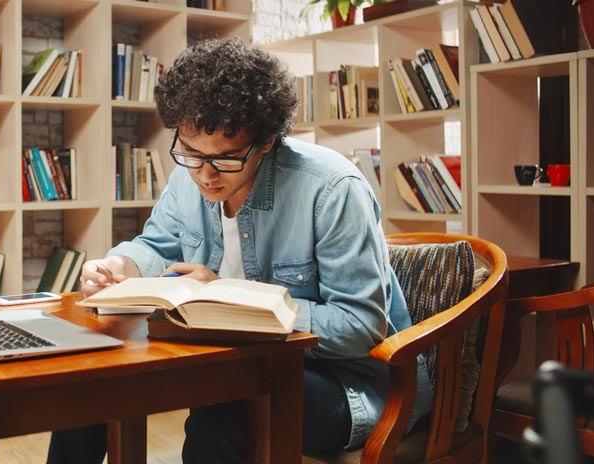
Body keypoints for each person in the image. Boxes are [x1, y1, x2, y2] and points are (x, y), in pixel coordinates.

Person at [46, 38, 432, 463]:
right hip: (239, 365)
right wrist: (120, 264)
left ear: (266, 141)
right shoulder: (187, 177)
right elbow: (156, 244)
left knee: (225, 410)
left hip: (352, 384)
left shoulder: (333, 189)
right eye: (191, 153)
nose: (205, 175)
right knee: (89, 383)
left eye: (226, 159)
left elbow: (360, 326)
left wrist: (232, 296)